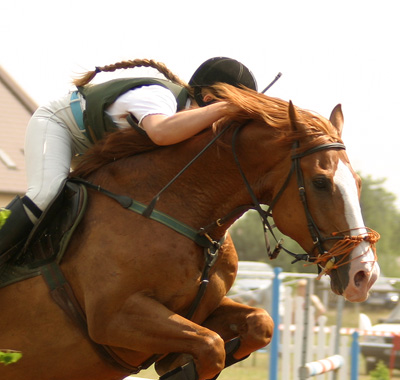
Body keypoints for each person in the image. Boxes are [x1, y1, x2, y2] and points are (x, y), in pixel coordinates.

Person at [0, 57, 257, 265]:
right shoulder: (159, 96)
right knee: (47, 194)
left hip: (99, 149)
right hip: (61, 126)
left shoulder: (191, 123)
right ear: (209, 99)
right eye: (228, 106)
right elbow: (160, 131)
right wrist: (226, 108)